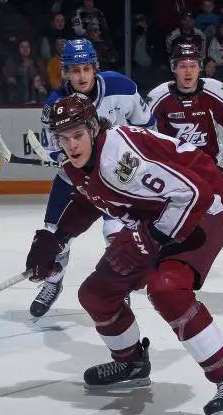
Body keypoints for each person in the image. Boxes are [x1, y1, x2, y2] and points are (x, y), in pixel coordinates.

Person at [24, 93, 223, 415]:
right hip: (158, 217)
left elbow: (194, 194)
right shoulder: (83, 163)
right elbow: (89, 201)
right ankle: (131, 362)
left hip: (203, 214)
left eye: (77, 135)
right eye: (64, 138)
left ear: (93, 129)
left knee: (166, 289)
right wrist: (56, 238)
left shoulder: (120, 158)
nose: (72, 145)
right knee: (96, 293)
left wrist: (149, 239)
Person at [31, 38, 155, 317]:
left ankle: (117, 290)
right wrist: (63, 157)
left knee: (117, 236)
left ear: (95, 68)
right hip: (73, 181)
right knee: (54, 235)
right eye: (74, 70)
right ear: (65, 73)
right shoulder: (54, 105)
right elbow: (51, 149)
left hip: (118, 181)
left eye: (86, 69)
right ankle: (53, 282)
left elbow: (147, 126)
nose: (81, 76)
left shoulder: (122, 88)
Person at [146, 43, 223, 182]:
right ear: (174, 68)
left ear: (200, 67)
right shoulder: (158, 98)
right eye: (183, 66)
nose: (188, 71)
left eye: (193, 65)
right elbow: (147, 137)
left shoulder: (215, 91)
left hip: (209, 168)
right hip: (171, 173)